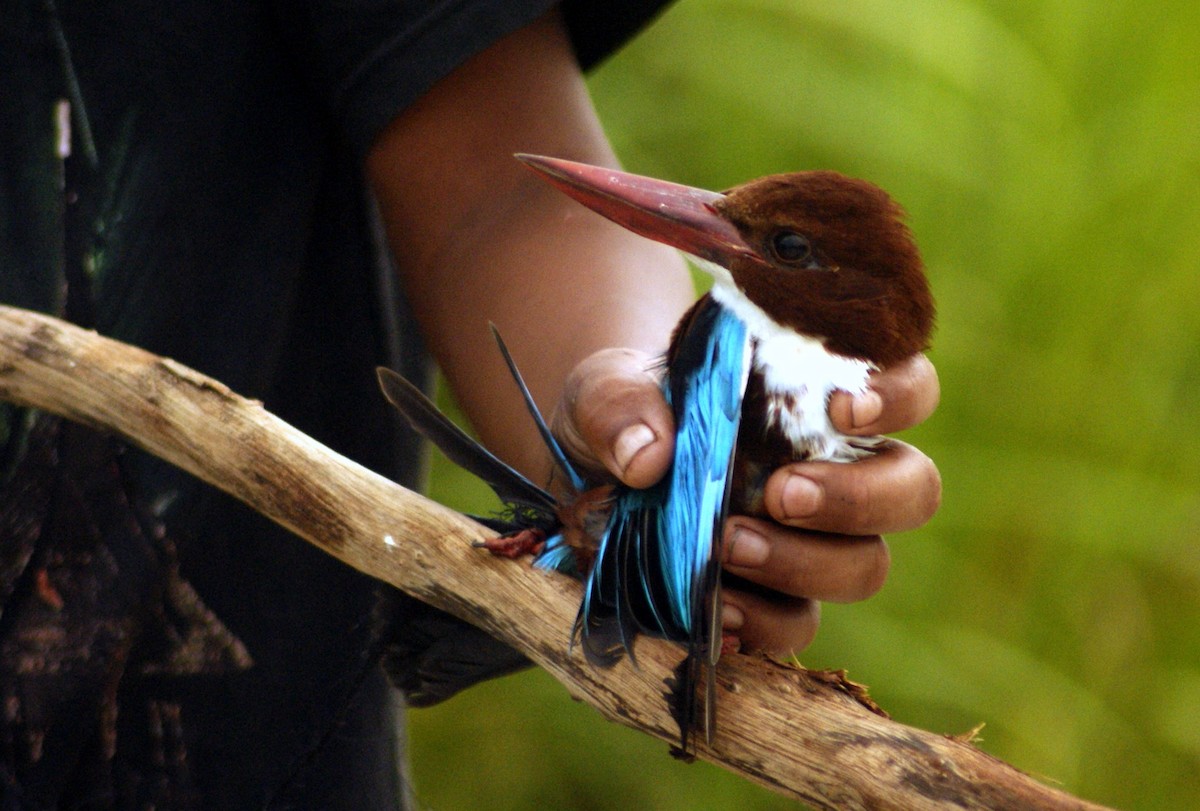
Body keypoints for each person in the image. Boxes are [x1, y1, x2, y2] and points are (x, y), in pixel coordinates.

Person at [0, 1, 941, 807]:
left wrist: (617, 405)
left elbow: (498, 193)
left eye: (781, 249)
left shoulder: (764, 350)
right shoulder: (728, 336)